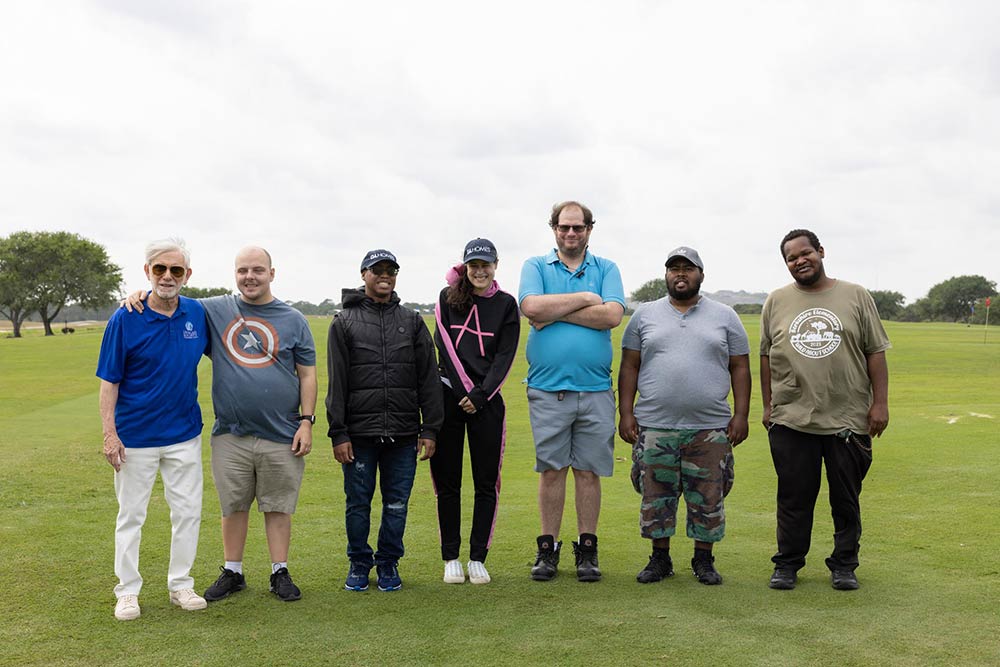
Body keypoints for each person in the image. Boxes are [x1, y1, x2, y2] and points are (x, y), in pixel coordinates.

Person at [125, 247, 318, 602]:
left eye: (257, 270)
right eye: (243, 270)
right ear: (234, 274)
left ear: (272, 273)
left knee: (277, 505)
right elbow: (171, 296)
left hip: (282, 431)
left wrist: (306, 422)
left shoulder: (293, 318)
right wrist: (139, 294)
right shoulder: (214, 309)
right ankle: (233, 570)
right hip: (231, 432)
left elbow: (307, 374)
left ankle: (280, 571)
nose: (250, 276)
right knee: (233, 505)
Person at [760, 229, 890, 591]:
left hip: (847, 418)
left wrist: (879, 403)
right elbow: (766, 355)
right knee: (792, 498)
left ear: (820, 252)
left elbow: (875, 352)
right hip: (792, 418)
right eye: (791, 257)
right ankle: (787, 564)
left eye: (805, 253)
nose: (800, 261)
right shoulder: (776, 300)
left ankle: (844, 564)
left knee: (846, 500)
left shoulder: (856, 295)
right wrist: (768, 405)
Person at [618, 246, 751, 586]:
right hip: (655, 425)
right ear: (666, 274)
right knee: (655, 496)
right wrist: (626, 413)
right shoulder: (644, 316)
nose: (680, 274)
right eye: (674, 268)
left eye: (688, 269)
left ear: (700, 275)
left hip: (709, 428)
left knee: (708, 495)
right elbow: (630, 366)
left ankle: (703, 560)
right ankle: (659, 559)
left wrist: (741, 415)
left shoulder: (725, 316)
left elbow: (740, 367)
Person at [97, 238, 209, 621]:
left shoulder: (196, 313)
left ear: (187, 275)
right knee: (131, 516)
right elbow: (109, 381)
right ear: (147, 272)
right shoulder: (125, 317)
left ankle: (181, 584)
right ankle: (127, 591)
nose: (167, 276)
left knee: (188, 513)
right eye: (159, 269)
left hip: (184, 435)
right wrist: (109, 435)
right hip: (135, 438)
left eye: (176, 270)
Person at [518, 201, 625, 582]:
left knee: (588, 472)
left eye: (578, 228)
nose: (571, 234)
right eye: (564, 227)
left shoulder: (607, 269)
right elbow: (530, 306)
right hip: (548, 391)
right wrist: (585, 298)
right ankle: (548, 549)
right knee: (551, 471)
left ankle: (587, 549)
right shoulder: (535, 266)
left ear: (589, 230)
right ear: (554, 229)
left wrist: (554, 312)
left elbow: (612, 315)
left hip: (595, 390)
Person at [327, 249, 444, 592]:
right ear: (363, 274)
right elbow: (338, 382)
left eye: (391, 270)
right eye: (377, 270)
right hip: (358, 436)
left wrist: (430, 428)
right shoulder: (343, 322)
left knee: (396, 504)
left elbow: (428, 379)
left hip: (404, 433)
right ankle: (359, 562)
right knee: (357, 505)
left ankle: (389, 561)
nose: (385, 275)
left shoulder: (411, 321)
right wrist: (338, 433)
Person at [431, 238, 520, 585]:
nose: (479, 271)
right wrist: (466, 390)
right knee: (447, 482)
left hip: (487, 402)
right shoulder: (446, 298)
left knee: (486, 483)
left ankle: (478, 556)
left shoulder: (507, 305)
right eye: (473, 265)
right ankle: (451, 556)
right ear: (465, 267)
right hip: (448, 399)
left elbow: (505, 357)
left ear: (495, 264)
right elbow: (445, 347)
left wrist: (481, 395)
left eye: (485, 264)